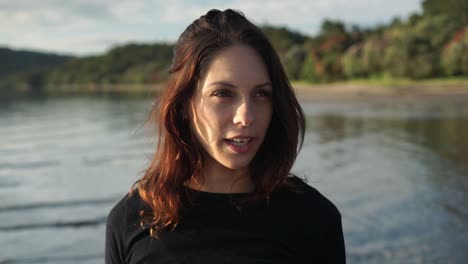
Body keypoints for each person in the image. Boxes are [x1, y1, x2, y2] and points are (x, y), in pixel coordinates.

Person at [105, 9, 345, 264]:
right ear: (184, 103)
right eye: (223, 94)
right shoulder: (131, 220)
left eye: (261, 94)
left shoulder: (314, 219)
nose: (246, 116)